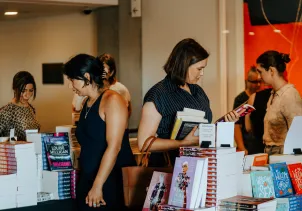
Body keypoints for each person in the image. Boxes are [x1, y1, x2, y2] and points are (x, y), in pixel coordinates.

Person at [137, 38, 239, 167]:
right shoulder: (159, 94)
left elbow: (202, 130)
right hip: (170, 167)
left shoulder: (197, 91)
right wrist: (183, 143)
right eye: (199, 69)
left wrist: (225, 123)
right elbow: (144, 143)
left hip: (199, 163)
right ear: (184, 65)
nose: (202, 74)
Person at [63, 54, 136, 211]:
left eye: (72, 80)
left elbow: (114, 147)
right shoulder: (87, 102)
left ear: (87, 77)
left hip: (108, 181)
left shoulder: (113, 100)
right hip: (89, 178)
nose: (70, 86)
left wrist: (97, 185)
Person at [256, 50, 302, 155]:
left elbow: (300, 136)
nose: (259, 77)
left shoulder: (290, 95)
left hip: (284, 157)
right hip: (273, 155)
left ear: (271, 71)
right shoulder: (273, 94)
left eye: (260, 72)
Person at [72, 53, 132, 118]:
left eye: (103, 72)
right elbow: (75, 108)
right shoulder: (88, 87)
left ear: (111, 72)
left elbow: (127, 111)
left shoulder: (120, 89)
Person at [0, 71, 40, 141]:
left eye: (31, 90)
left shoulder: (31, 108)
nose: (27, 95)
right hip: (14, 151)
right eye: (23, 90)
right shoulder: (7, 111)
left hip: (31, 150)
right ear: (15, 89)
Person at [233, 66, 262, 155]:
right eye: (254, 82)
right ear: (247, 81)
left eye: (259, 82)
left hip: (260, 145)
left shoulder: (262, 96)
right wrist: (242, 147)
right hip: (247, 145)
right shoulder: (240, 99)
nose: (258, 85)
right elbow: (236, 125)